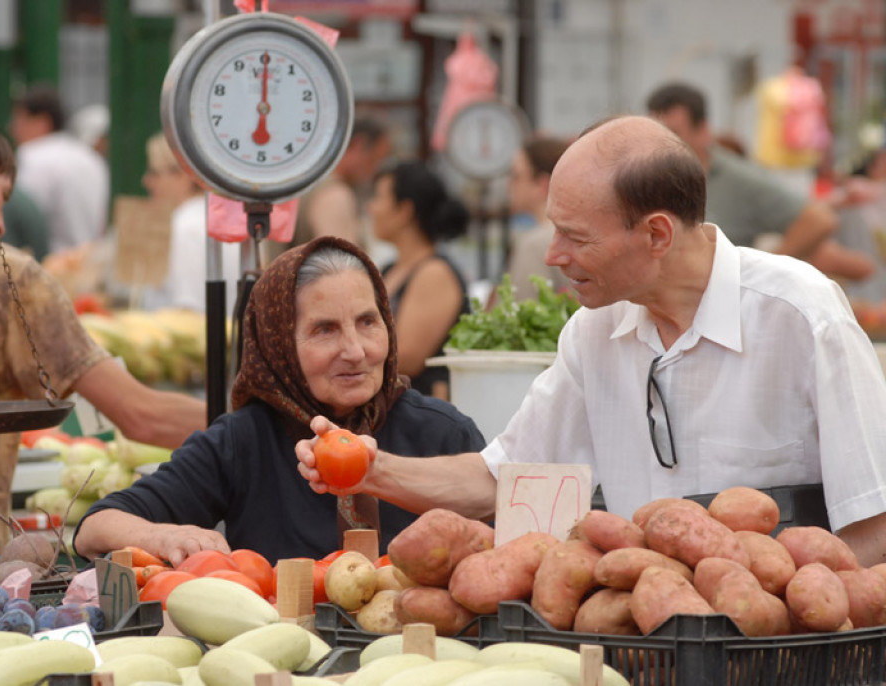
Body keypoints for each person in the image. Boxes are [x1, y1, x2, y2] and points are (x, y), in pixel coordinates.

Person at [296, 115, 886, 568]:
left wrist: (799, 606)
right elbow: (497, 480)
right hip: (642, 649)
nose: (553, 257)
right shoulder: (595, 333)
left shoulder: (801, 316)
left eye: (574, 237)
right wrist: (369, 469)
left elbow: (874, 519)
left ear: (656, 234)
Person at [0, 107, 209, 551]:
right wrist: (249, 424)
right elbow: (141, 415)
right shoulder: (7, 274)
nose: (2, 223)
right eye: (2, 195)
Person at [73, 237, 485, 564]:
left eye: (367, 322)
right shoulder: (243, 441)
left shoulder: (444, 432)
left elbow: (511, 532)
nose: (356, 350)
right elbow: (95, 527)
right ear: (278, 346)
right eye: (325, 330)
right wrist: (165, 535)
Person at [645, 82, 873, 281]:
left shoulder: (738, 179)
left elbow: (819, 220)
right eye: (657, 132)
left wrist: (761, 274)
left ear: (703, 130)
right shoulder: (649, 177)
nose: (664, 143)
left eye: (674, 132)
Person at [369, 161, 470, 399]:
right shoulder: (389, 268)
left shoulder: (435, 273)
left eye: (378, 198)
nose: (371, 208)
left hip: (419, 409)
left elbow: (407, 358)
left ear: (405, 211)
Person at [267, 115, 392, 263]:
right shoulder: (334, 194)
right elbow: (343, 267)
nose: (374, 171)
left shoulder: (306, 182)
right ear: (358, 145)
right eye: (375, 160)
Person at [138, 132, 238, 313]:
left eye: (154, 173)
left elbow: (188, 310)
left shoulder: (184, 227)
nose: (146, 181)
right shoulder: (215, 218)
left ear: (184, 176)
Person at [10, 84, 109, 254]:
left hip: (49, 267)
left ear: (42, 122)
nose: (13, 128)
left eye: (19, 119)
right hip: (88, 266)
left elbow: (24, 218)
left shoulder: (32, 154)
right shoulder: (92, 158)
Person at [506, 135, 572, 301]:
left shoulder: (534, 245)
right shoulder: (578, 233)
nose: (509, 185)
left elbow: (520, 310)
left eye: (516, 176)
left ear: (541, 184)